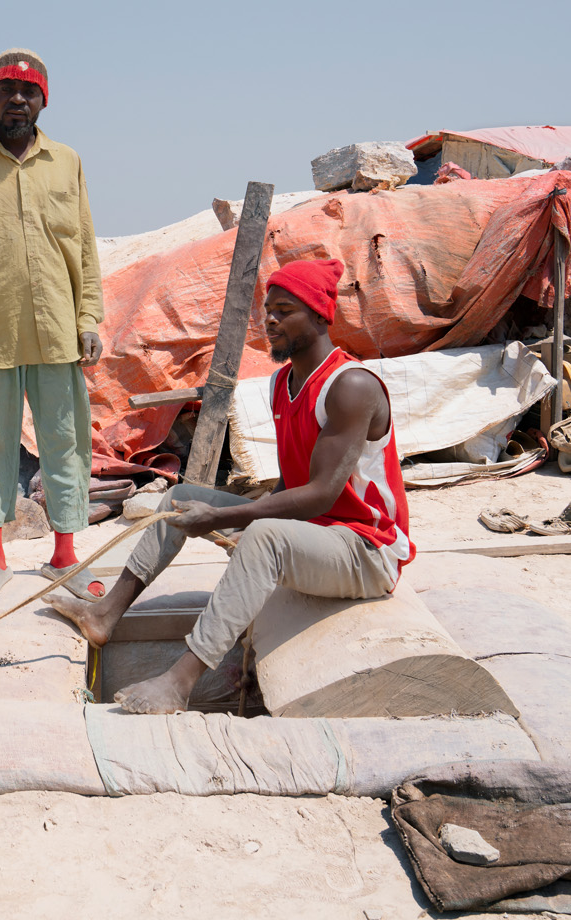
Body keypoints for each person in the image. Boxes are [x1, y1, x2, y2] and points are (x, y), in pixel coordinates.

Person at [48, 257, 414, 714]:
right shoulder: (285, 381)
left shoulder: (350, 386)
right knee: (182, 497)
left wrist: (228, 518)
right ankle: (105, 613)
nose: (271, 320)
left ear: (320, 316)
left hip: (366, 549)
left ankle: (180, 683)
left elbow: (320, 492)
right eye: (268, 309)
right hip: (318, 533)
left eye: (285, 310)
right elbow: (292, 480)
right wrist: (240, 515)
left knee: (260, 535)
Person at [0, 49, 104, 604]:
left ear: (43, 101)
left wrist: (87, 318)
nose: (17, 99)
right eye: (6, 89)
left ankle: (64, 553)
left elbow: (83, 244)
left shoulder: (68, 162)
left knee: (66, 440)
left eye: (28, 91)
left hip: (58, 330)